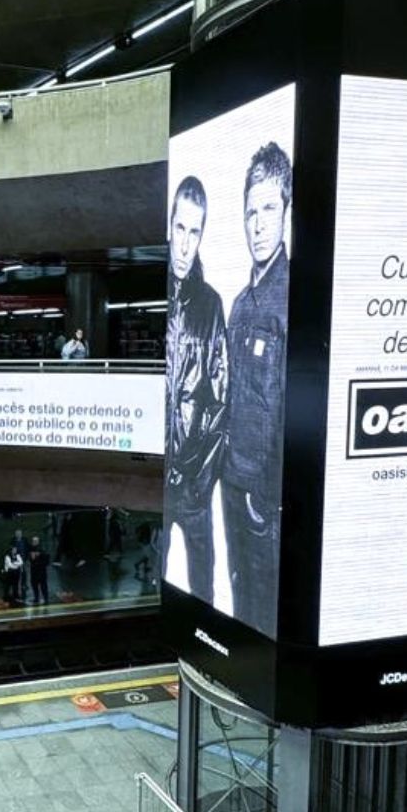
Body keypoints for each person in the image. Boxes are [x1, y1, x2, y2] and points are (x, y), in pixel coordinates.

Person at [222, 144, 292, 630]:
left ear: (287, 211)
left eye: (270, 209)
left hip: (263, 497)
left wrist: (268, 498)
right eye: (251, 212)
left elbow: (290, 409)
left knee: (266, 609)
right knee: (240, 595)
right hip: (232, 480)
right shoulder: (240, 305)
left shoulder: (293, 302)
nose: (259, 224)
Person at [164, 179, 233, 597]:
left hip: (190, 483)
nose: (186, 244)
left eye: (195, 232)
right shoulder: (155, 297)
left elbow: (220, 402)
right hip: (152, 476)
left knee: (202, 584)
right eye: (180, 229)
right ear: (169, 225)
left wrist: (195, 477)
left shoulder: (210, 305)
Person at [26, 535, 51, 605]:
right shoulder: (31, 549)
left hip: (41, 572)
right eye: (33, 541)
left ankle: (46, 599)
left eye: (35, 541)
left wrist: (39, 556)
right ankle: (36, 598)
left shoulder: (43, 550)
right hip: (34, 572)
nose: (34, 542)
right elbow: (30, 559)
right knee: (35, 586)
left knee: (43, 586)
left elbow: (47, 561)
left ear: (38, 542)